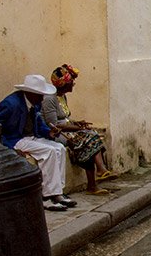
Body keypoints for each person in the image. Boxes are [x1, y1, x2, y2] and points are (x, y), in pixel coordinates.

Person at [0, 74, 76, 210]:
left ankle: (58, 192)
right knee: (48, 151)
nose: (42, 98)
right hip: (14, 139)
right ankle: (46, 196)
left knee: (59, 148)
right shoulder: (11, 104)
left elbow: (39, 123)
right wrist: (7, 147)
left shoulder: (34, 103)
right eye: (40, 95)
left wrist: (48, 132)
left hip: (31, 137)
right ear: (30, 93)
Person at [42, 64, 116, 196]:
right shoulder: (49, 99)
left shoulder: (62, 97)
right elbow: (53, 124)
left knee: (91, 135)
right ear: (63, 84)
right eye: (71, 82)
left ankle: (97, 176)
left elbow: (65, 118)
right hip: (57, 134)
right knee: (86, 141)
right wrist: (76, 128)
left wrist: (77, 122)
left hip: (66, 130)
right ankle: (98, 174)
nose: (73, 84)